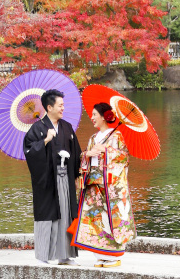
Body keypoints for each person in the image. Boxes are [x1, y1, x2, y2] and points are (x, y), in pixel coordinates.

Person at [71, 102, 136, 267]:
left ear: (104, 116)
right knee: (94, 219)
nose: (92, 118)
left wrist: (107, 151)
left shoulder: (117, 136)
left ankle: (113, 256)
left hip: (109, 187)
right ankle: (100, 253)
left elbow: (124, 158)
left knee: (109, 219)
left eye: (94, 115)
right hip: (93, 184)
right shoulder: (94, 138)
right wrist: (87, 154)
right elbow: (84, 158)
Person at [22, 88, 82, 265]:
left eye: (63, 105)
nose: (63, 108)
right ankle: (43, 256)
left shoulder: (67, 127)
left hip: (66, 179)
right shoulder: (37, 128)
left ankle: (65, 255)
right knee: (47, 216)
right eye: (60, 105)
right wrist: (45, 140)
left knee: (66, 214)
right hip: (47, 181)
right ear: (49, 107)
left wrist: (77, 175)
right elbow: (30, 151)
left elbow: (76, 152)